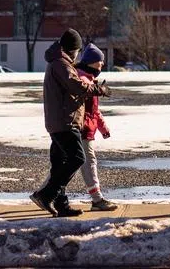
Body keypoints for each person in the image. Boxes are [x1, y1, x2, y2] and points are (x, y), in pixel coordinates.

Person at [30, 28, 107, 217]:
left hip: (59, 121)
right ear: (72, 49)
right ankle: (46, 195)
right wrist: (97, 89)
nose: (77, 54)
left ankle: (61, 204)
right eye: (77, 50)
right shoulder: (60, 63)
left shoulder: (59, 62)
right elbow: (75, 85)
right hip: (65, 122)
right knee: (77, 158)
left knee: (59, 163)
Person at [75, 43, 116, 211]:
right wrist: (97, 89)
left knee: (66, 164)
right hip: (82, 129)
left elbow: (94, 111)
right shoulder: (83, 80)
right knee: (88, 162)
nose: (102, 65)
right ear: (92, 62)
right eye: (100, 61)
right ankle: (97, 199)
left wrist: (103, 128)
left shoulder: (90, 79)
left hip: (87, 128)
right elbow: (84, 90)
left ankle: (45, 193)